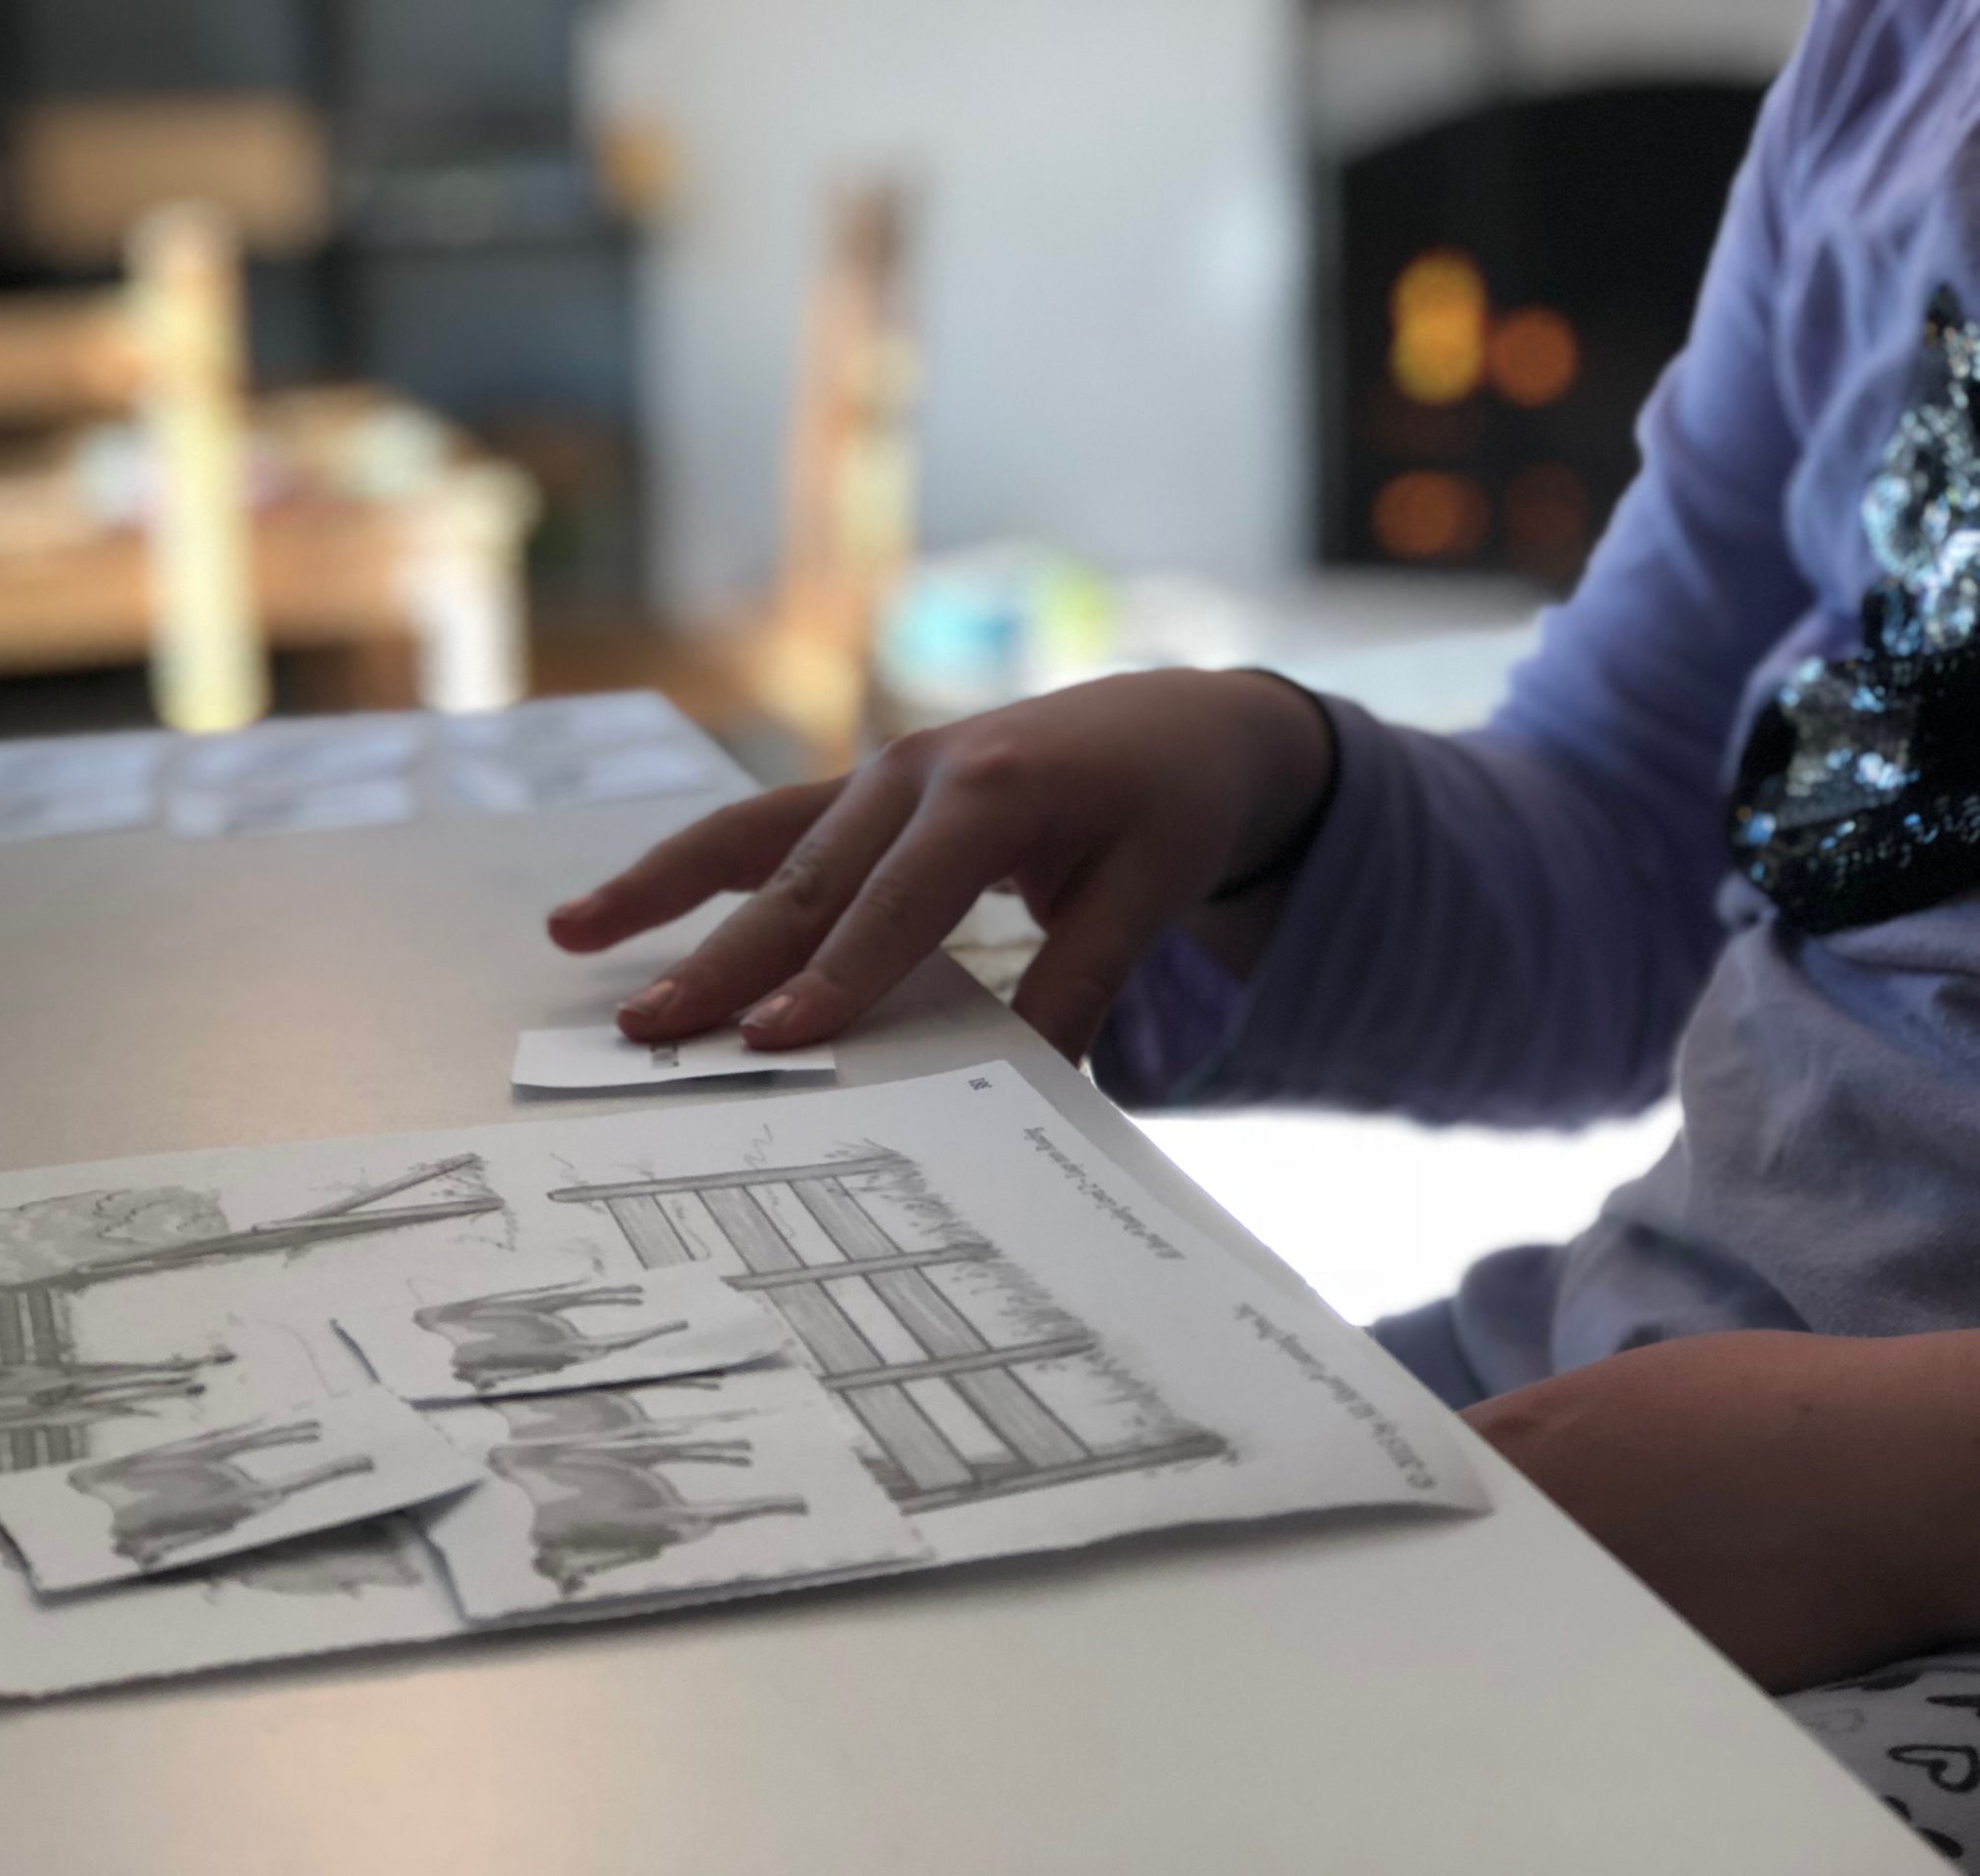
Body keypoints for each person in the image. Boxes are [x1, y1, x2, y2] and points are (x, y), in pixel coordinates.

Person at [546, 0, 1980, 1855]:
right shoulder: (1894, 61)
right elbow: (1642, 851)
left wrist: (1908, 1489)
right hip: (1636, 1402)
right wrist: (1272, 781)